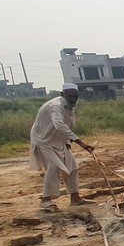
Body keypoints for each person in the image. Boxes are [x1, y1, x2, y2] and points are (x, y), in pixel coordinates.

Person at [28, 83, 96, 211]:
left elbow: (67, 126)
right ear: (62, 94)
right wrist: (80, 143)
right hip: (44, 140)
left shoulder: (70, 108)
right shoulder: (55, 106)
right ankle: (45, 200)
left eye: (75, 96)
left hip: (59, 141)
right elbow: (59, 124)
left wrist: (68, 142)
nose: (73, 98)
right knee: (54, 167)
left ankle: (75, 198)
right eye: (70, 96)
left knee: (73, 167)